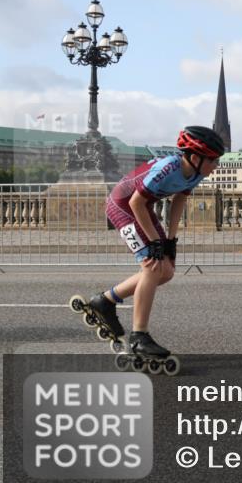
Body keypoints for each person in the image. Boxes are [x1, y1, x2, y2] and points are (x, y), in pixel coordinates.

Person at [84, 126, 225, 359]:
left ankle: (105, 301)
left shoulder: (198, 172)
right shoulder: (169, 168)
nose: (216, 165)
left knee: (167, 271)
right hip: (123, 206)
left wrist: (170, 239)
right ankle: (139, 336)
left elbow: (180, 199)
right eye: (213, 160)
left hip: (142, 207)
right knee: (152, 265)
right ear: (195, 157)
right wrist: (154, 243)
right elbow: (135, 203)